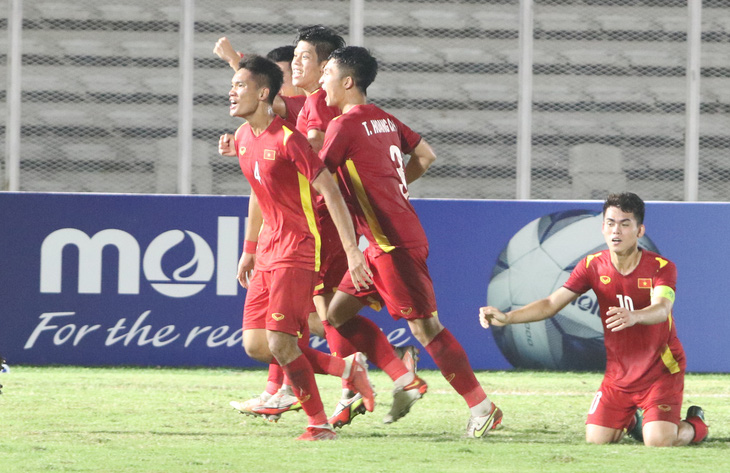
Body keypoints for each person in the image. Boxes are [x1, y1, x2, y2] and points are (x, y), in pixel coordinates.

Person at [319, 46, 503, 437]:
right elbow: (426, 154)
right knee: (336, 316)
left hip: (392, 244)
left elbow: (320, 183)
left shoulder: (342, 126)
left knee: (426, 328)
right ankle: (402, 375)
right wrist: (392, 189)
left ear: (348, 82)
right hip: (382, 242)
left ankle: (483, 407)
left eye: (327, 74)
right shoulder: (384, 120)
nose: (322, 81)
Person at [218, 54, 376, 440]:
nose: (231, 91)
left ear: (264, 93)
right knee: (257, 346)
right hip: (269, 247)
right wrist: (250, 247)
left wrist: (353, 250)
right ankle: (347, 369)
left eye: (240, 85)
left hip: (299, 246)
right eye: (233, 84)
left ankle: (319, 425)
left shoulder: (289, 140)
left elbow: (331, 190)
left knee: (281, 342)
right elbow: (258, 193)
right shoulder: (241, 139)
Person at [479, 192, 708, 447]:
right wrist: (508, 317)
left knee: (658, 442)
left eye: (625, 223)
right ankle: (631, 420)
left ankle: (696, 424)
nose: (616, 230)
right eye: (610, 223)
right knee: (596, 441)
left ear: (639, 230)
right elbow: (551, 304)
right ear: (602, 228)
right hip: (618, 374)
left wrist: (634, 316)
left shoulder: (661, 267)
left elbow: (662, 309)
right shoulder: (591, 266)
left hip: (660, 371)